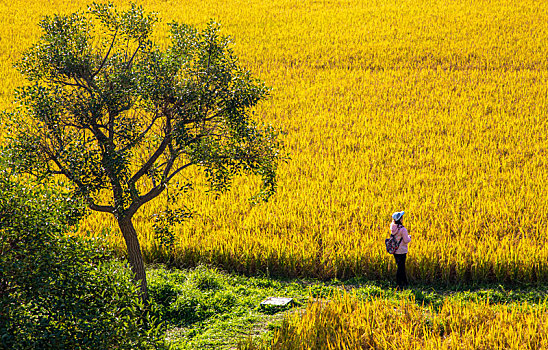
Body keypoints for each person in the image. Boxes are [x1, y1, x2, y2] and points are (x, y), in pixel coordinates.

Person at [390, 211, 411, 289]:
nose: (403, 218)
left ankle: (404, 282)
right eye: (402, 217)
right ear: (400, 219)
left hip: (395, 250)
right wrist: (409, 237)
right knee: (401, 267)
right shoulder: (403, 229)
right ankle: (399, 283)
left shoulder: (393, 227)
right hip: (402, 250)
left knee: (399, 266)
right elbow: (406, 240)